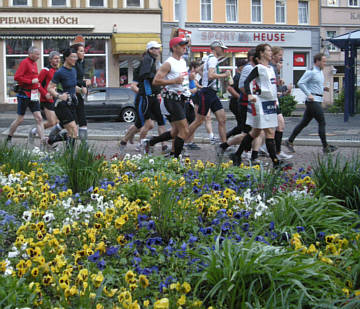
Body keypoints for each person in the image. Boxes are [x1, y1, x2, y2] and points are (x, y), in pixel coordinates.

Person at [229, 44, 283, 168]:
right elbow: (247, 82)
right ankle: (275, 161)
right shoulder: (259, 68)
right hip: (260, 103)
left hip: (269, 102)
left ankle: (237, 154)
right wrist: (249, 95)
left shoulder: (270, 68)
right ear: (262, 53)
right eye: (268, 50)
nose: (271, 53)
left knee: (255, 132)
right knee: (269, 131)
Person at [142, 37, 191, 158]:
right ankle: (175, 159)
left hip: (182, 99)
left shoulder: (183, 61)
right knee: (184, 131)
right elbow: (156, 81)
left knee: (175, 131)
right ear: (174, 48)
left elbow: (182, 80)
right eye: (182, 45)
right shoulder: (168, 63)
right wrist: (174, 80)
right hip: (171, 99)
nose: (185, 47)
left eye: (185, 45)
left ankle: (150, 142)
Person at [120, 41, 167, 154]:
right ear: (149, 50)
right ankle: (132, 142)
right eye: (155, 48)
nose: (158, 50)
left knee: (160, 122)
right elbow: (134, 85)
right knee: (144, 124)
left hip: (153, 97)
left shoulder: (154, 63)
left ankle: (164, 145)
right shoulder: (146, 62)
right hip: (144, 98)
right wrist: (143, 93)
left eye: (158, 48)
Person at [285, 53, 337, 154]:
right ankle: (325, 147)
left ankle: (289, 141)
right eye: (323, 61)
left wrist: (323, 88)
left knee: (304, 123)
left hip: (317, 100)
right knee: (322, 122)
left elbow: (314, 85)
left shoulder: (320, 73)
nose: (324, 63)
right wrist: (308, 94)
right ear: (317, 61)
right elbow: (300, 83)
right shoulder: (311, 72)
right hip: (313, 101)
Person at [187, 40, 230, 156]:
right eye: (222, 48)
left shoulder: (209, 58)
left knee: (222, 119)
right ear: (216, 48)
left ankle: (223, 145)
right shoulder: (213, 59)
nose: (224, 50)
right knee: (199, 121)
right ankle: (182, 140)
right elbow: (211, 75)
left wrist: (205, 78)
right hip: (207, 93)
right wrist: (224, 75)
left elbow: (200, 70)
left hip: (212, 93)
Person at [6, 46, 46, 149]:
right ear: (30, 54)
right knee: (20, 119)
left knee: (39, 118)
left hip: (33, 94)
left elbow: (35, 80)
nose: (38, 56)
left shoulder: (34, 64)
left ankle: (43, 142)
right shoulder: (25, 62)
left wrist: (41, 90)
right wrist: (30, 81)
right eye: (37, 54)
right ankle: (9, 138)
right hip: (24, 94)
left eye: (39, 54)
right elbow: (17, 77)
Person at [47, 48, 80, 148]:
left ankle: (52, 140)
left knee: (73, 133)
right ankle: (69, 158)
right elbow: (50, 88)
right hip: (61, 105)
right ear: (66, 58)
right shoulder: (60, 72)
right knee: (73, 130)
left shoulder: (74, 70)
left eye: (76, 57)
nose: (75, 59)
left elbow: (72, 87)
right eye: (73, 57)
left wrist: (81, 90)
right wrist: (59, 95)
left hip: (71, 104)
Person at [28, 51, 62, 147]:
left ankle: (47, 140)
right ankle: (35, 131)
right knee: (52, 122)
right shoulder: (45, 70)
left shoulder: (58, 70)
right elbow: (37, 84)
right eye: (55, 58)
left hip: (56, 98)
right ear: (50, 60)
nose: (58, 60)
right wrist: (45, 93)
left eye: (59, 58)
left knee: (57, 122)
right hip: (46, 99)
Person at [269, 46, 292, 160]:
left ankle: (276, 151)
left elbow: (275, 88)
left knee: (279, 126)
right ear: (273, 55)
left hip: (274, 100)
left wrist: (282, 90)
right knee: (259, 131)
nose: (281, 58)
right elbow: (273, 87)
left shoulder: (274, 68)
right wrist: (284, 88)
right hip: (270, 101)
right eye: (279, 55)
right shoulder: (271, 68)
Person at [71, 43, 91, 143]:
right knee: (71, 124)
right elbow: (72, 81)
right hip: (71, 96)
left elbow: (79, 79)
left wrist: (85, 81)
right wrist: (83, 83)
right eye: (81, 51)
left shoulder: (80, 63)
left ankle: (84, 147)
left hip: (79, 96)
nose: (84, 53)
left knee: (83, 121)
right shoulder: (72, 65)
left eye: (84, 51)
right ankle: (52, 139)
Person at [226, 58, 247, 138]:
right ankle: (227, 137)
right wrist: (239, 97)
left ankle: (232, 139)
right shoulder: (237, 77)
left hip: (237, 103)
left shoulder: (241, 76)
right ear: (241, 67)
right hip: (235, 103)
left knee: (242, 125)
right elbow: (230, 88)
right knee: (242, 125)